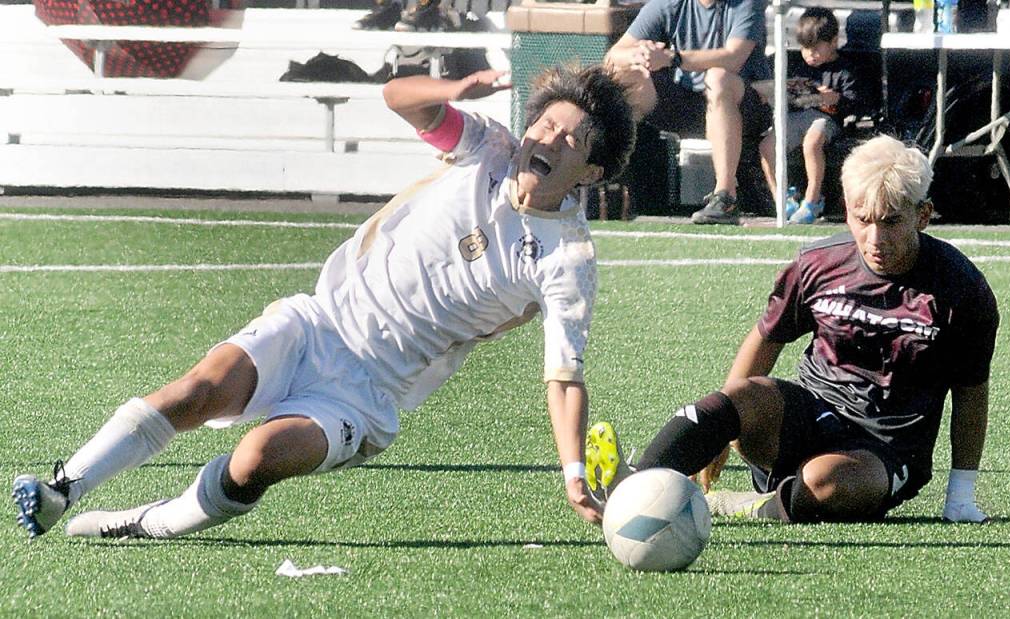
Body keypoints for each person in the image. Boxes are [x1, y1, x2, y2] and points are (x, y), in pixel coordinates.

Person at [12, 63, 636, 540]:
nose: (549, 139)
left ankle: (149, 523)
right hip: (317, 323)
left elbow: (563, 376)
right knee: (197, 391)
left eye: (571, 139)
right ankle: (64, 486)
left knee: (256, 459)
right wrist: (454, 85)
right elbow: (399, 98)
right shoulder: (487, 149)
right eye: (546, 124)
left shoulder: (567, 260)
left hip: (367, 396)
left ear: (589, 172)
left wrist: (573, 473)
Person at [588, 135, 998, 524]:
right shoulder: (818, 264)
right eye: (863, 219)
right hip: (808, 413)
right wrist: (722, 428)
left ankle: (753, 505)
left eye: (891, 222)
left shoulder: (961, 288)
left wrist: (961, 495)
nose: (875, 238)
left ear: (922, 215)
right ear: (848, 208)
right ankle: (632, 484)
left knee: (827, 483)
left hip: (883, 451)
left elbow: (971, 391)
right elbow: (766, 338)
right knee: (741, 394)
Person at [604, 0, 772, 225]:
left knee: (717, 78)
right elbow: (614, 55)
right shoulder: (668, 4)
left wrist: (673, 58)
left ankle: (725, 195)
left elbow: (734, 57)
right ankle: (615, 181)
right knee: (624, 75)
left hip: (745, 105)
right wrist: (640, 56)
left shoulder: (747, 4)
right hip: (688, 103)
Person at [758, 7, 867, 225]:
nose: (810, 55)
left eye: (816, 49)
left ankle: (812, 199)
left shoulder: (844, 70)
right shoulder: (797, 65)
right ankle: (781, 197)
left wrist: (835, 99)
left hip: (826, 119)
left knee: (812, 143)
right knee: (767, 146)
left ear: (833, 42)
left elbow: (857, 102)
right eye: (805, 49)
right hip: (797, 116)